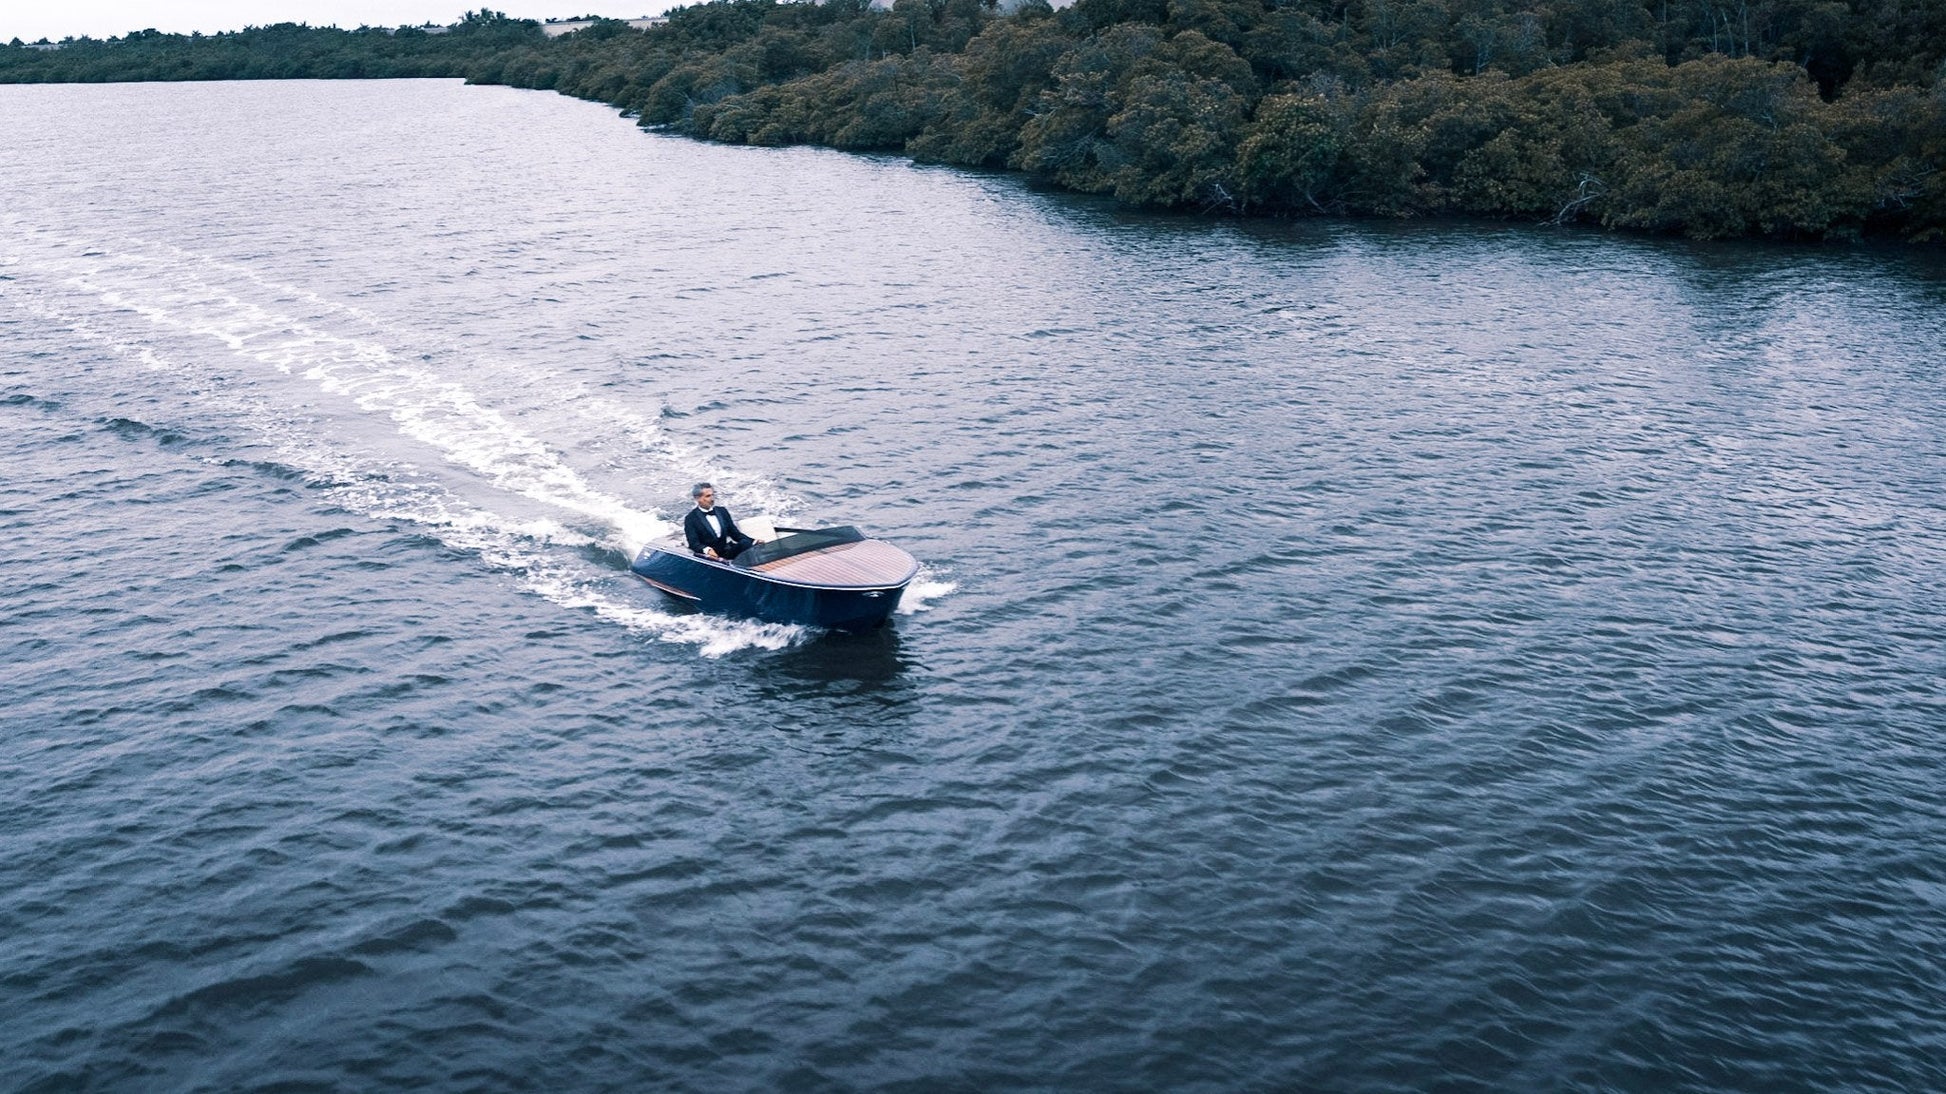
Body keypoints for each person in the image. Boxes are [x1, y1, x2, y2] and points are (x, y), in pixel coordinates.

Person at [683, 482, 755, 561]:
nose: (712, 499)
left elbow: (735, 534)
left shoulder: (722, 511)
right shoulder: (690, 518)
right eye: (708, 496)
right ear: (697, 498)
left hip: (727, 552)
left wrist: (753, 541)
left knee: (745, 543)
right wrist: (707, 550)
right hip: (708, 557)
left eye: (712, 495)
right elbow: (694, 543)